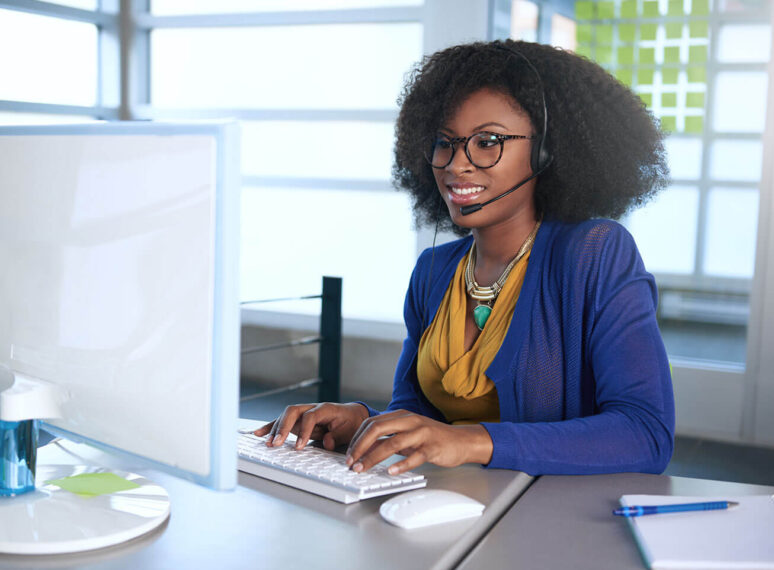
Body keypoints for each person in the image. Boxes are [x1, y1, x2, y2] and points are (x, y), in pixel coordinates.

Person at [255, 39, 675, 477]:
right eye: (445, 143)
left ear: (547, 151)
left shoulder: (595, 253)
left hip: (551, 520)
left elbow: (645, 433)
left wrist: (472, 441)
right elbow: (418, 414)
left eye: (488, 141)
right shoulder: (434, 271)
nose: (457, 165)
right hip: (447, 513)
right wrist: (364, 422)